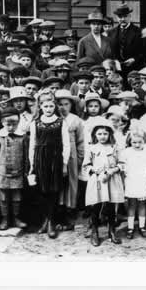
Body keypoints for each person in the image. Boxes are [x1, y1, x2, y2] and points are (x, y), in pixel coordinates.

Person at [28, 91, 71, 239]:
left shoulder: (61, 121)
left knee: (53, 191)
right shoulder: (35, 123)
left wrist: (65, 163)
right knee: (42, 191)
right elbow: (32, 144)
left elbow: (66, 144)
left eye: (51, 106)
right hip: (40, 158)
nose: (48, 109)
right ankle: (45, 220)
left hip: (55, 158)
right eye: (45, 106)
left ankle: (52, 222)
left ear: (55, 106)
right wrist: (32, 165)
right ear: (40, 106)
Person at [83, 117, 124, 246]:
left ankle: (112, 231)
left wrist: (112, 171)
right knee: (96, 206)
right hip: (98, 180)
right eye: (99, 134)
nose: (102, 136)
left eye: (105, 133)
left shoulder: (115, 147)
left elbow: (122, 163)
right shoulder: (92, 148)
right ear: (95, 135)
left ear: (110, 134)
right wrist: (95, 171)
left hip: (112, 179)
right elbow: (86, 166)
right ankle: (95, 231)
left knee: (111, 206)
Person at [0, 108, 29, 231]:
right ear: (3, 123)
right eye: (8, 124)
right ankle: (5, 219)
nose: (11, 127)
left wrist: (26, 172)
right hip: (2, 173)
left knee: (17, 197)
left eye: (14, 124)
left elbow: (26, 156)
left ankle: (16, 218)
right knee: (3, 198)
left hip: (18, 172)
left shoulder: (22, 137)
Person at [55, 89, 84, 231]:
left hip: (72, 155)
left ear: (71, 105)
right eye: (60, 104)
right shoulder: (53, 118)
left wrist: (79, 158)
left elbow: (81, 141)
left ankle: (70, 214)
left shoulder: (76, 120)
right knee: (58, 184)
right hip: (56, 154)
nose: (63, 107)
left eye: (66, 104)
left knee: (71, 183)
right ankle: (58, 215)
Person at [120, 125, 146, 239]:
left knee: (142, 205)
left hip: (143, 181)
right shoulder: (126, 152)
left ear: (144, 141)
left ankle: (142, 226)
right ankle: (130, 227)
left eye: (140, 142)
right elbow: (122, 169)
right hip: (131, 181)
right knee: (131, 205)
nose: (137, 145)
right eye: (134, 142)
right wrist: (123, 184)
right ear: (130, 141)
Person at [109, 3, 145, 74]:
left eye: (125, 16)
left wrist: (134, 59)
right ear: (117, 18)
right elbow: (110, 51)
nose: (123, 19)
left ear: (130, 16)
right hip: (117, 70)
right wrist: (115, 60)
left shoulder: (138, 32)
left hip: (134, 69)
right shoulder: (112, 32)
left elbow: (144, 52)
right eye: (120, 17)